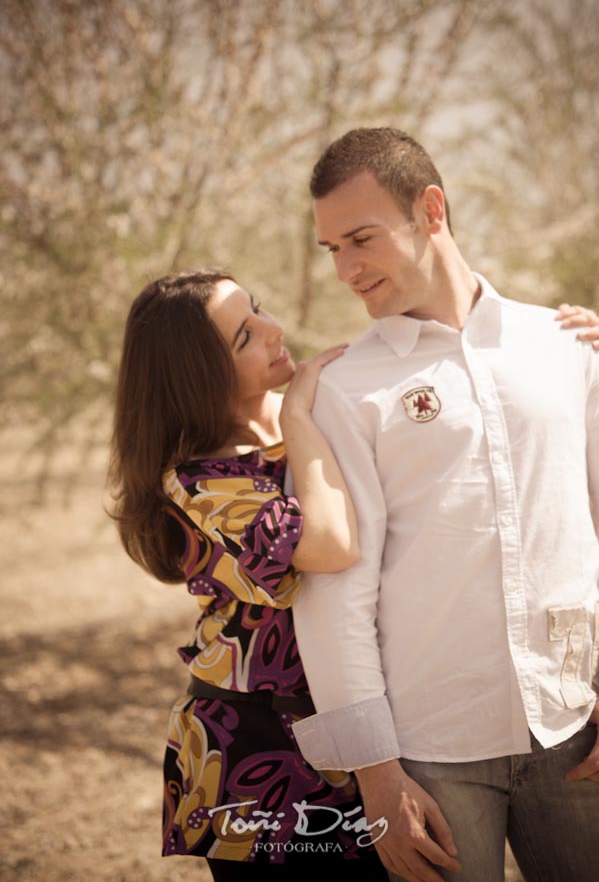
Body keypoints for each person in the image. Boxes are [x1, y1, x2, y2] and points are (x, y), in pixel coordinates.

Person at [289, 127, 599, 882]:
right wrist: (373, 771)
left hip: (573, 729)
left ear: (431, 210)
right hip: (430, 751)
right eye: (332, 249)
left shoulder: (564, 347)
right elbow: (335, 591)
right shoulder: (344, 388)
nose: (346, 270)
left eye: (360, 238)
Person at [108, 271, 390, 881]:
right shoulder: (200, 482)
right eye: (245, 336)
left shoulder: (312, 419)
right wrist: (298, 417)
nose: (275, 330)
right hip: (256, 755)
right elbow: (333, 545)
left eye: (258, 310)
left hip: (356, 731)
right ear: (200, 376)